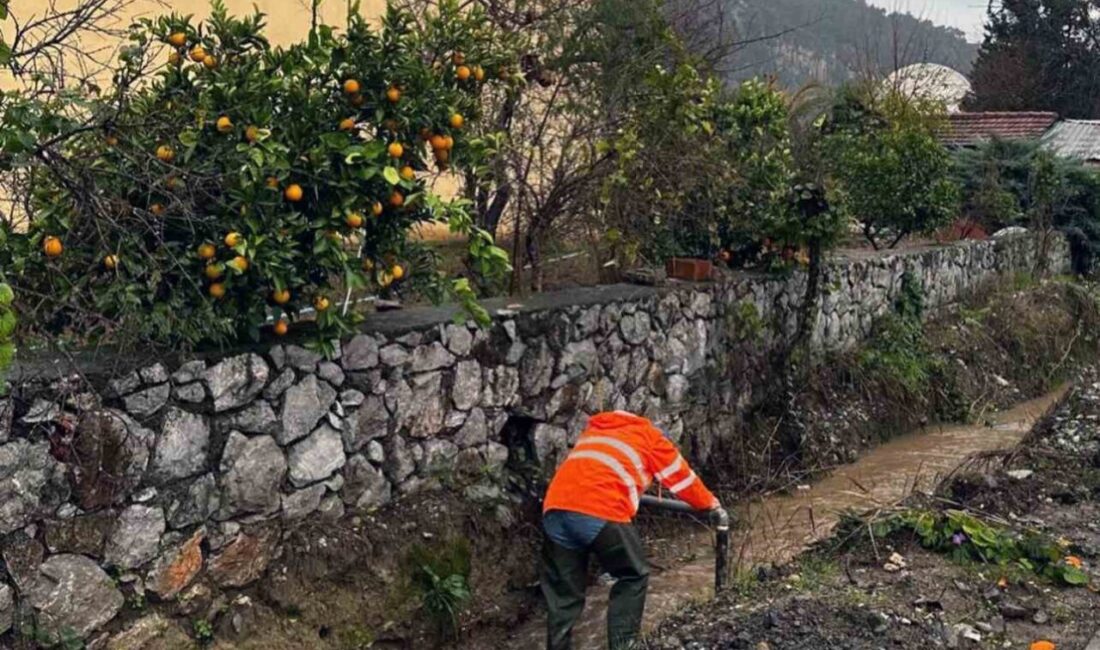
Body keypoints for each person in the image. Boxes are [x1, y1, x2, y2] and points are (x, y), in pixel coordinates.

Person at [540, 410, 726, 650]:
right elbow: (682, 480)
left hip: (555, 510)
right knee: (633, 574)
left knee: (564, 595)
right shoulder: (648, 436)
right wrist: (711, 504)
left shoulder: (594, 433)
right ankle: (624, 645)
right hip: (601, 509)